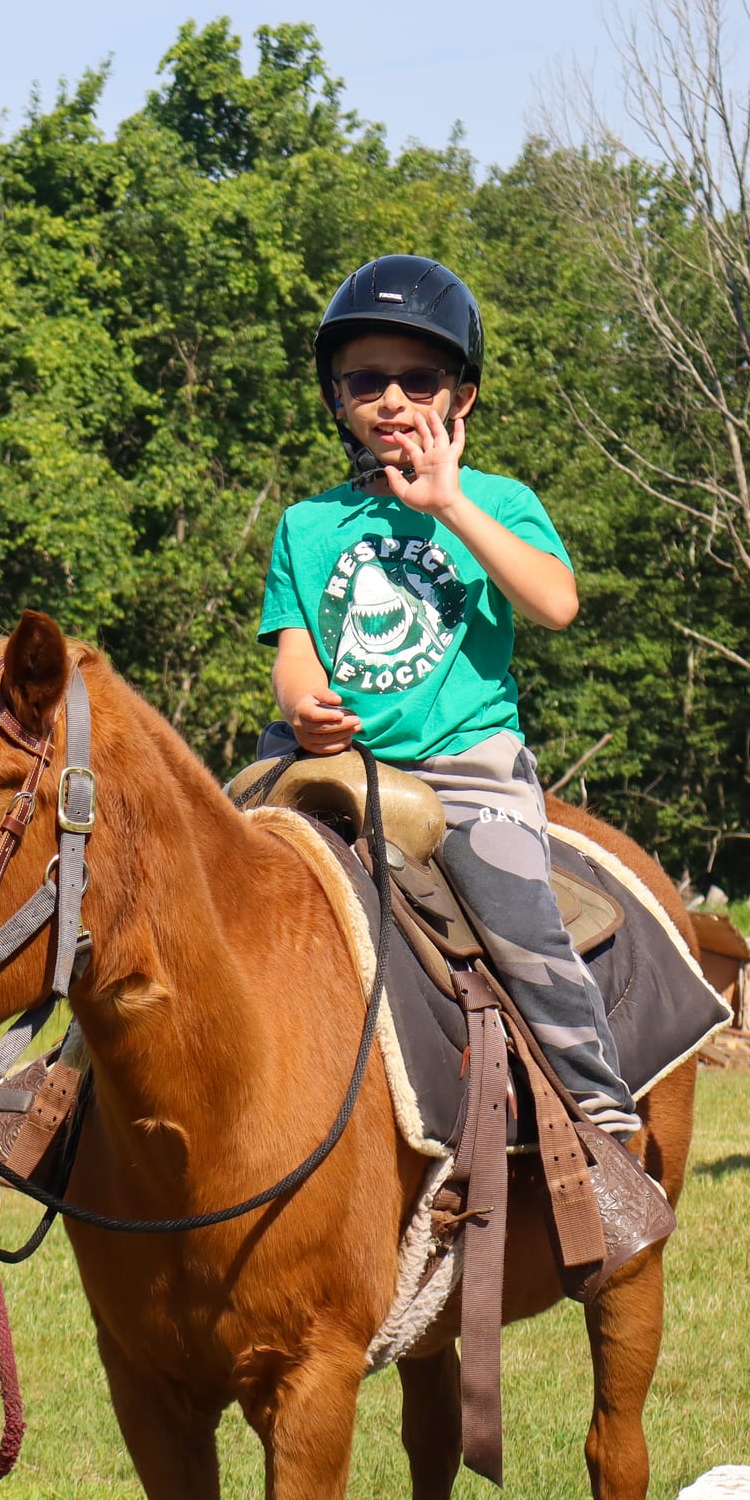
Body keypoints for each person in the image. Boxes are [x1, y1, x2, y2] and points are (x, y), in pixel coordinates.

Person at [258, 254, 641, 1140]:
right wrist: (307, 705)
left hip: (464, 772)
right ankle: (66, 1097)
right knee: (181, 869)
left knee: (521, 928)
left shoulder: (499, 501)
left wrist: (451, 504)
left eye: (418, 379)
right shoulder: (309, 525)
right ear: (337, 398)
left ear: (460, 397)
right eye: (367, 380)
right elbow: (294, 651)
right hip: (326, 769)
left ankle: (600, 1117)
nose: (392, 400)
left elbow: (555, 603)